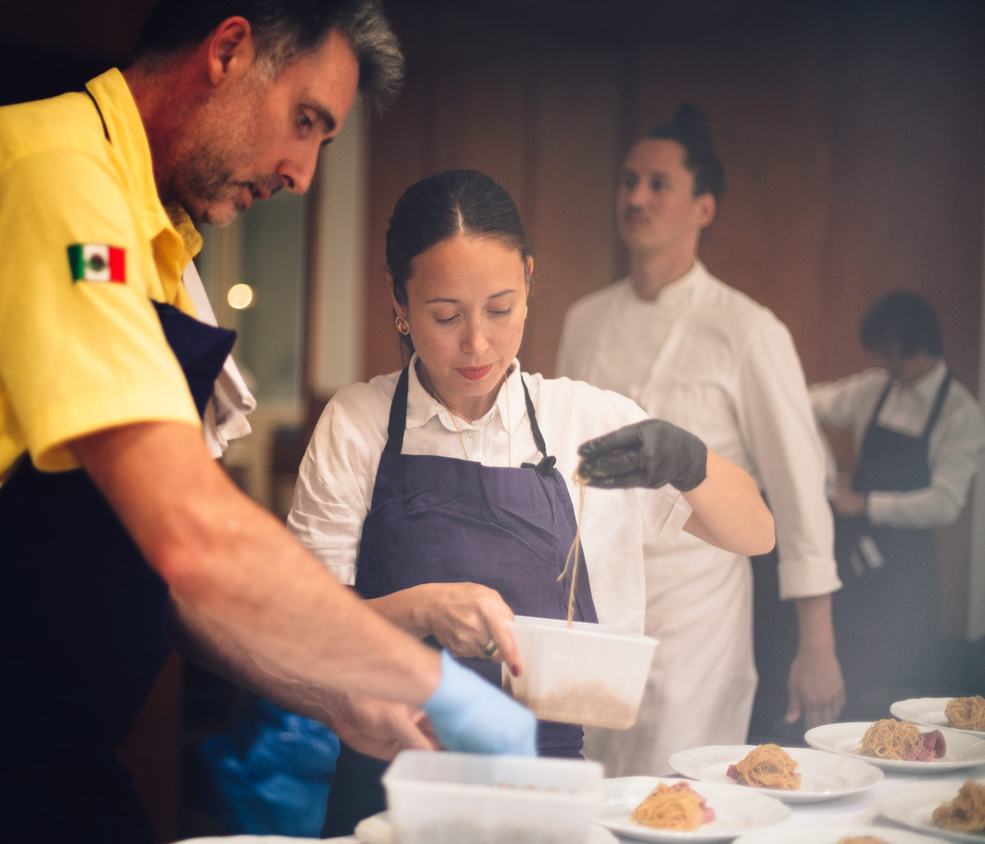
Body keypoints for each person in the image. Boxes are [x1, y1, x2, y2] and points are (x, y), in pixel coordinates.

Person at [0, 5, 537, 842]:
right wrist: (428, 679)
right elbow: (191, 532)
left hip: (48, 771)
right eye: (305, 121)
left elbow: (166, 580)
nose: (302, 174)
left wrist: (339, 699)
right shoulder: (48, 175)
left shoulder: (155, 247)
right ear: (227, 51)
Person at [287, 169, 775, 834]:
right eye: (445, 315)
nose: (477, 344)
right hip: (389, 796)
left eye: (500, 307)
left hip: (546, 798)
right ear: (398, 299)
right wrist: (423, 607)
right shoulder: (358, 422)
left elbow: (754, 533)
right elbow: (305, 632)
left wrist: (688, 459)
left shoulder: (584, 419)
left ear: (529, 282)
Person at [555, 104, 845, 776]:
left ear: (703, 209)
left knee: (676, 795)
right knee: (587, 788)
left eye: (658, 184)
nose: (636, 197)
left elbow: (801, 494)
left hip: (697, 616)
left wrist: (817, 644)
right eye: (629, 181)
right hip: (596, 602)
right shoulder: (584, 319)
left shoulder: (747, 330)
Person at [811, 290, 985, 712]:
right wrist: (820, 473)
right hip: (853, 569)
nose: (885, 363)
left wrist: (867, 504)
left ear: (918, 343)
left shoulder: (961, 413)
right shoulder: (873, 389)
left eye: (892, 353)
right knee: (846, 678)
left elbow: (944, 503)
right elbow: (801, 404)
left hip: (907, 582)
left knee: (898, 695)